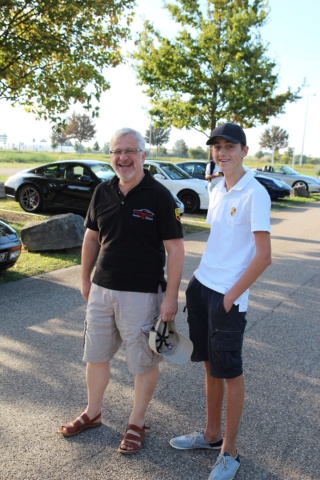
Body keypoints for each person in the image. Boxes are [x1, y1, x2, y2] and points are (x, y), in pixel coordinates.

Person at [58, 128, 184, 454]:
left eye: (130, 151)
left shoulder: (159, 196)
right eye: (117, 151)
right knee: (95, 355)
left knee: (143, 362)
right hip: (101, 290)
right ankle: (93, 412)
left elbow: (176, 249)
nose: (123, 157)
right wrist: (85, 280)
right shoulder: (102, 191)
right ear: (111, 155)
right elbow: (90, 238)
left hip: (142, 295)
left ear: (143, 155)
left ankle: (136, 422)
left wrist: (171, 297)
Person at [170, 123, 271, 480]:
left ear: (244, 149)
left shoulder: (254, 193)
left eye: (230, 146)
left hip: (228, 297)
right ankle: (211, 435)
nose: (222, 152)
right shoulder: (217, 187)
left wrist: (230, 296)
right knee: (209, 365)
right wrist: (198, 285)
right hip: (203, 287)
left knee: (230, 371)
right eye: (217, 146)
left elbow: (263, 256)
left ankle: (230, 451)